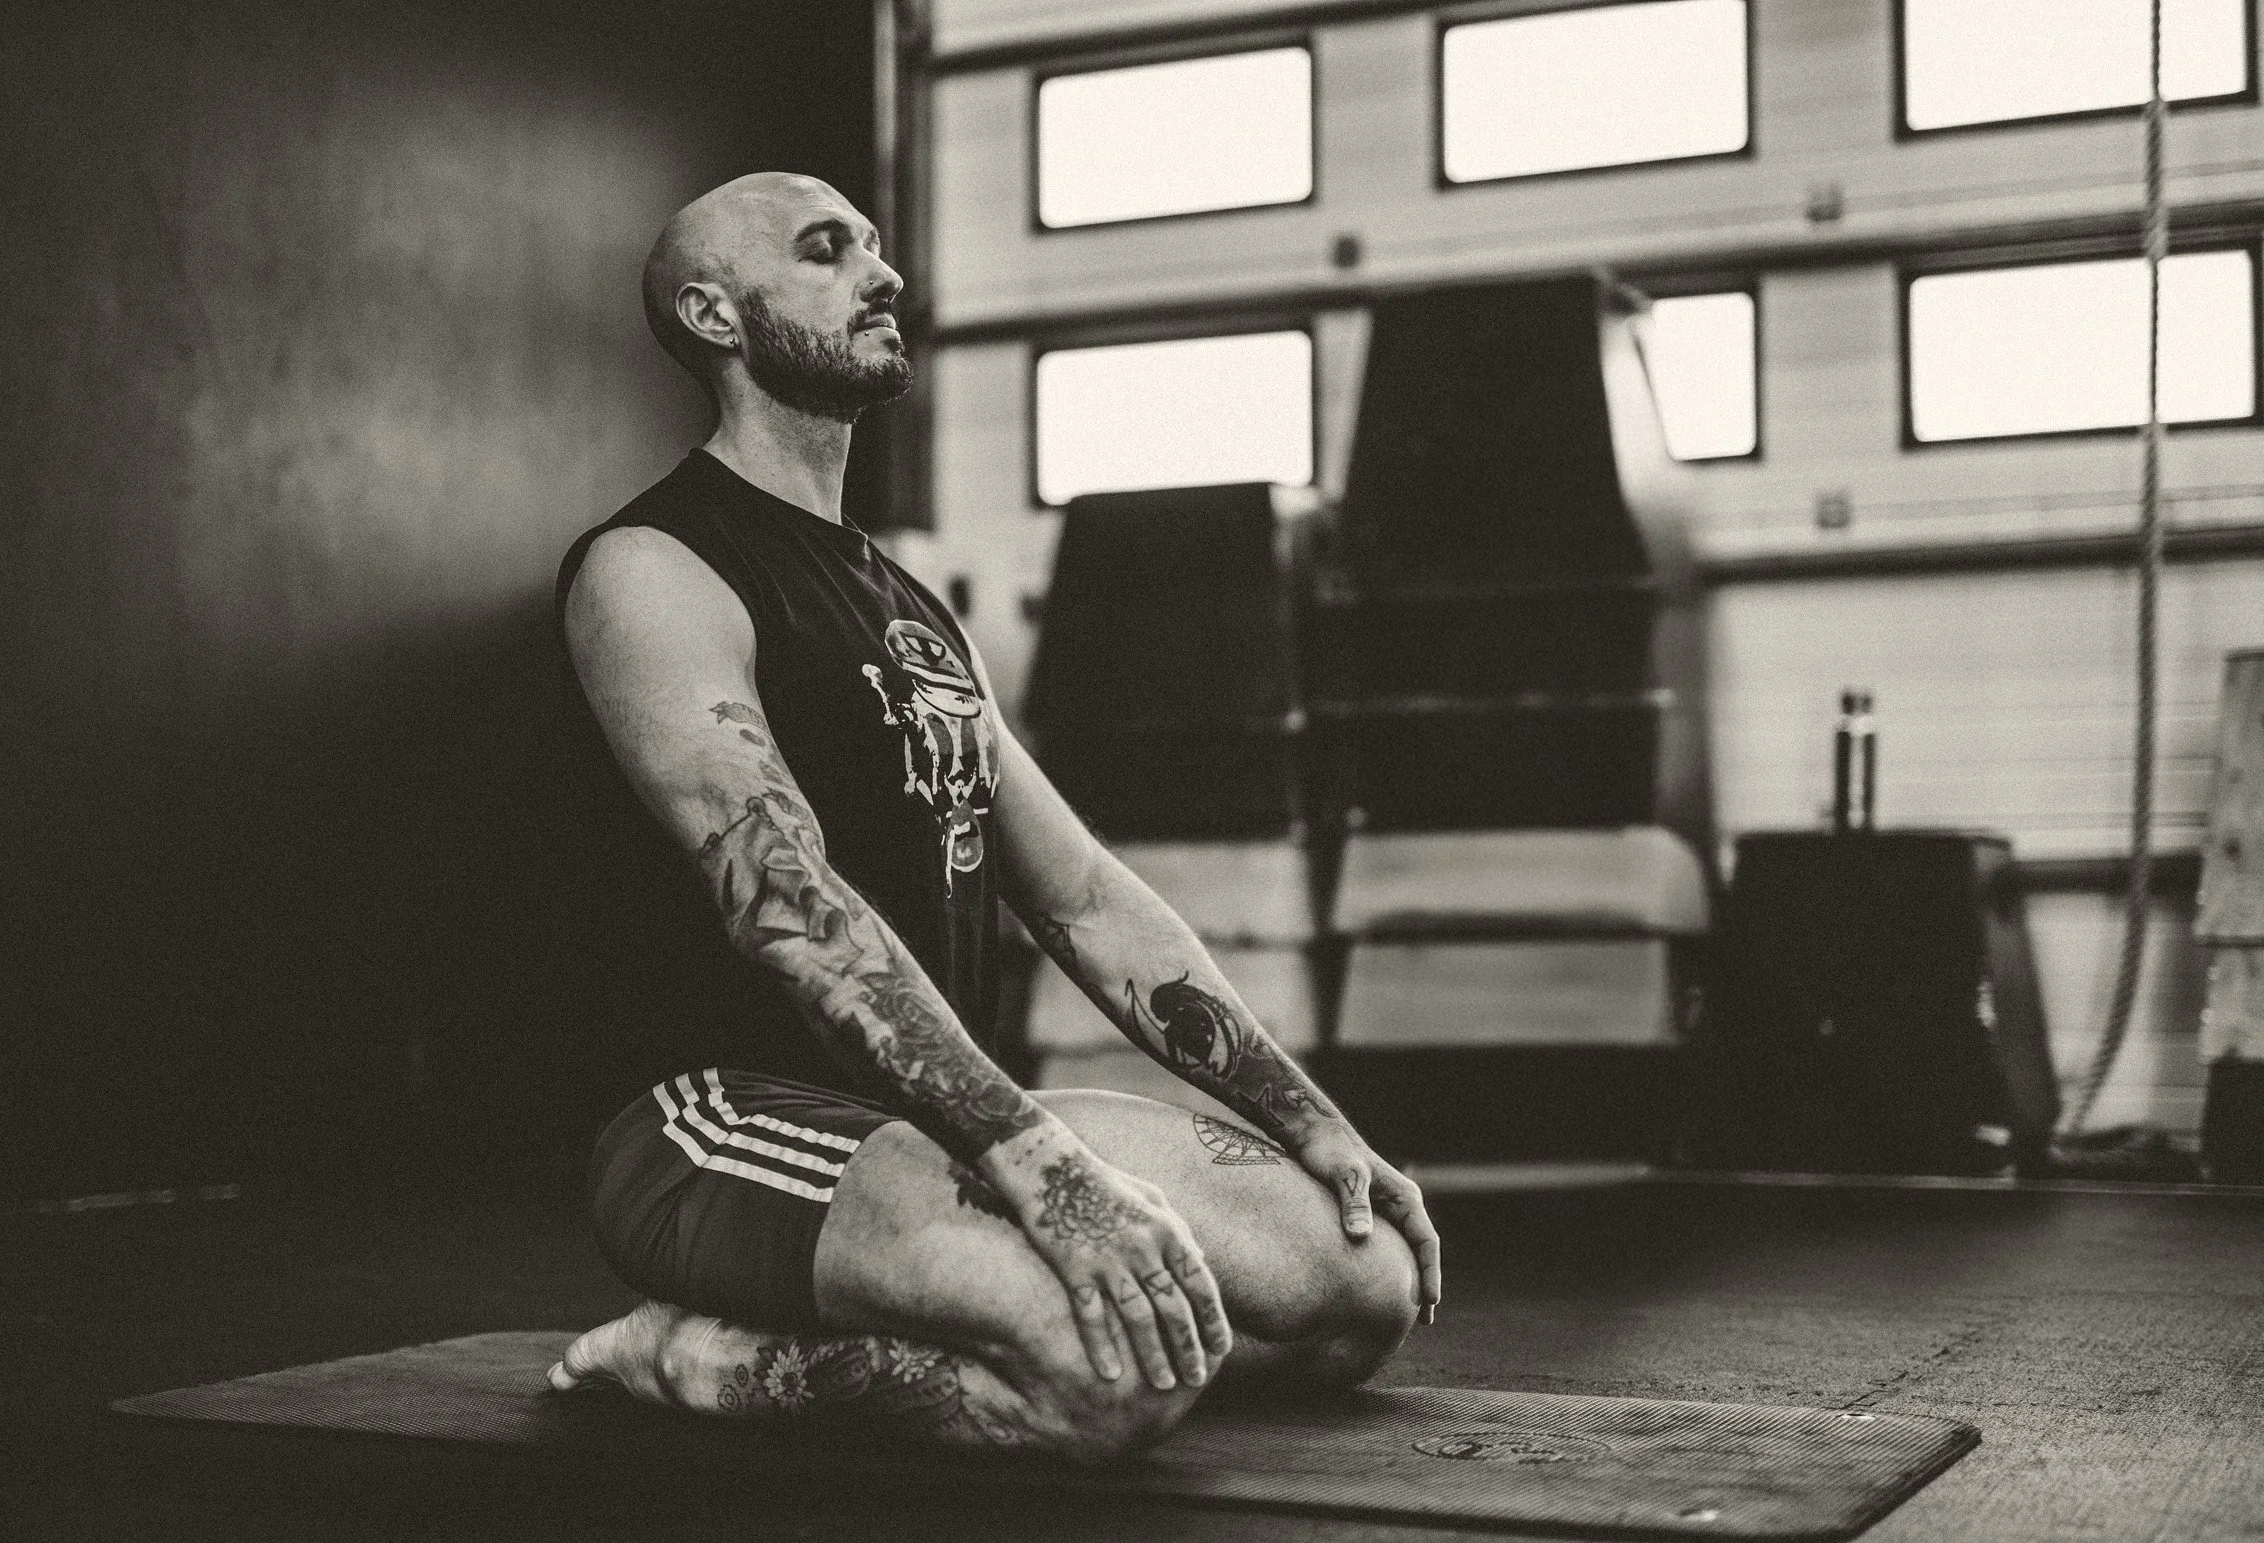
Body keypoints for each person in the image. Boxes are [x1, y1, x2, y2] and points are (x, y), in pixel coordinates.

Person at [548, 172, 1442, 1462]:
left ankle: (971, 1292)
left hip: (934, 1117)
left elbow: (1079, 893)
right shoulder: (654, 569)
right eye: (825, 250)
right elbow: (792, 912)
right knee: (1107, 1382)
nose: (883, 273)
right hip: (721, 1120)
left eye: (874, 245)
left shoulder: (906, 605)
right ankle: (694, 1352)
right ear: (714, 313)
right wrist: (1035, 1158)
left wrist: (1313, 1120)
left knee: (1362, 1294)